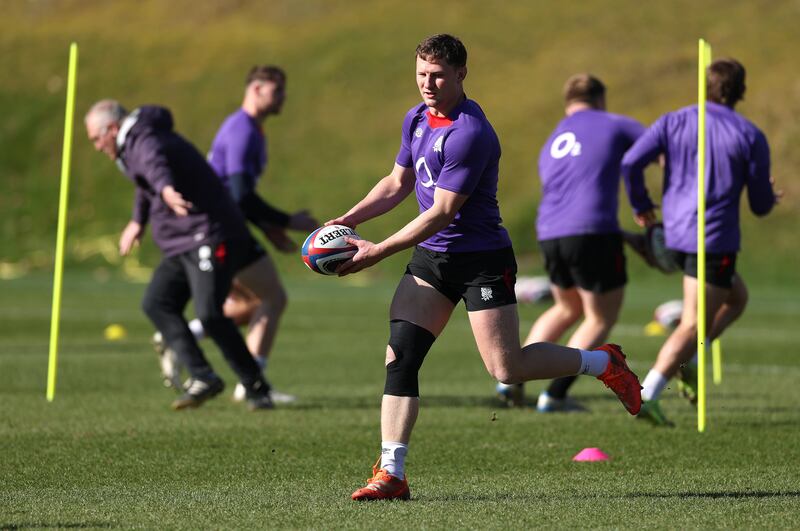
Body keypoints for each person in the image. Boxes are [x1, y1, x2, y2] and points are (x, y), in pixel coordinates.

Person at [326, 34, 642, 501]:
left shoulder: (470, 133)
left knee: (506, 369)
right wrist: (349, 220)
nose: (427, 84)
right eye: (420, 75)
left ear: (461, 74)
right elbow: (397, 182)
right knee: (401, 356)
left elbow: (442, 212)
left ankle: (602, 362)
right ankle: (391, 473)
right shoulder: (416, 118)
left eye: (437, 76)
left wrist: (378, 250)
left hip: (480, 261)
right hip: (431, 259)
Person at [85, 99, 274, 411]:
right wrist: (137, 220)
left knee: (211, 313)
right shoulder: (131, 145)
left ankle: (257, 387)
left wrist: (166, 189)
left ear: (113, 129)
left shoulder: (143, 139)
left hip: (208, 233)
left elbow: (154, 165)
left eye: (96, 138)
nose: (96, 146)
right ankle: (203, 376)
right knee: (157, 303)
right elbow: (143, 181)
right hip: (182, 241)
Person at [621, 58, 778, 426]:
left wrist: (642, 205)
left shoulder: (673, 120)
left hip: (674, 235)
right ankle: (648, 394)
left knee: (737, 298)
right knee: (692, 324)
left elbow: (630, 163)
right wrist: (770, 196)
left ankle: (687, 359)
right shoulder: (750, 134)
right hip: (713, 239)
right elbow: (759, 205)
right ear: (741, 91)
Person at [155, 65, 318, 404]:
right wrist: (286, 221)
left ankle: (184, 337)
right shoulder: (242, 130)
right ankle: (251, 381)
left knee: (249, 305)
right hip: (220, 230)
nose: (283, 98)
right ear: (256, 89)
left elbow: (237, 193)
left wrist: (272, 229)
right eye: (278, 91)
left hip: (223, 227)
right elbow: (240, 194)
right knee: (271, 298)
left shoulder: (249, 129)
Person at [497, 74, 646, 412]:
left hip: (550, 233)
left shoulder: (555, 138)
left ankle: (514, 379)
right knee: (599, 317)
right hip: (593, 233)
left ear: (568, 103)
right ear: (601, 99)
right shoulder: (614, 123)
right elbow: (656, 149)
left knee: (567, 307)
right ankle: (555, 395)